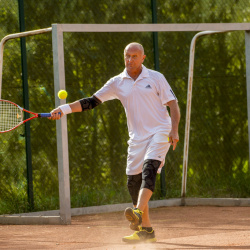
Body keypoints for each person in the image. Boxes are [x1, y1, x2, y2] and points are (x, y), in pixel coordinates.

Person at [49, 42, 180, 243]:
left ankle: (136, 211)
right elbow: (91, 102)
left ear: (143, 58)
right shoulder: (117, 82)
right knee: (133, 182)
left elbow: (173, 103)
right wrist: (63, 109)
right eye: (127, 56)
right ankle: (146, 230)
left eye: (135, 56)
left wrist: (174, 129)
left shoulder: (156, 78)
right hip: (136, 138)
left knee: (149, 169)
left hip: (160, 130)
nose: (130, 60)